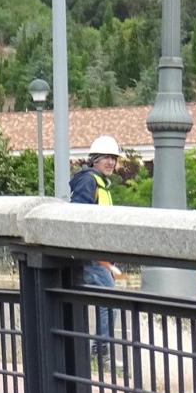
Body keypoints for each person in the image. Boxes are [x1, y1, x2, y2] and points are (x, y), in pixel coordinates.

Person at [70, 135, 122, 357]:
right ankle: (99, 350)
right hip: (93, 256)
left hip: (98, 255)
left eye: (113, 158)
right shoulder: (90, 181)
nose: (110, 162)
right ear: (94, 160)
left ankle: (93, 350)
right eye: (105, 158)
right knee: (109, 301)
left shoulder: (100, 183)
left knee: (104, 301)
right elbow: (79, 215)